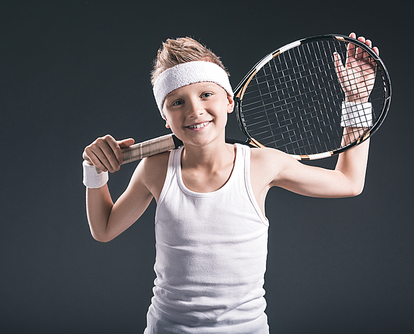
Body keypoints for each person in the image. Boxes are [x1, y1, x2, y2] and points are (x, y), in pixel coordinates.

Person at [82, 32, 379, 333]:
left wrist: (356, 100)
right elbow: (105, 229)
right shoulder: (155, 169)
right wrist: (94, 170)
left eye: (206, 94)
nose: (194, 110)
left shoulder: (263, 164)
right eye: (177, 102)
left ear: (228, 101)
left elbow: (348, 181)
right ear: (165, 117)